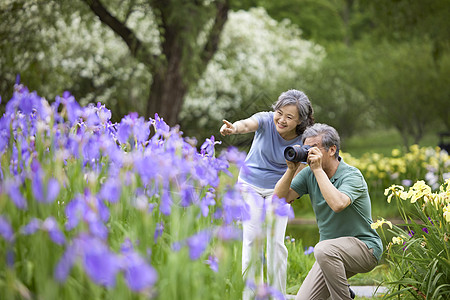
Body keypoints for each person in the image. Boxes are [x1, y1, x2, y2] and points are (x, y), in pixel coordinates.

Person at [219, 89, 315, 299]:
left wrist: (290, 195)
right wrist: (233, 128)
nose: (281, 120)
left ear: (300, 121)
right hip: (249, 185)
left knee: (275, 243)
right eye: (279, 112)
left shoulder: (305, 139)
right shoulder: (265, 120)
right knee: (252, 239)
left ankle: (277, 294)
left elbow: (299, 173)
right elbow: (247, 124)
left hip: (278, 191)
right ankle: (250, 294)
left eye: (289, 117)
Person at [274, 123, 383, 300]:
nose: (309, 153)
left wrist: (317, 170)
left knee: (323, 248)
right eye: (306, 148)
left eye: (314, 148)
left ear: (332, 150)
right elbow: (277, 200)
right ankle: (342, 290)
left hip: (365, 248)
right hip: (329, 254)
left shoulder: (351, 176)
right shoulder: (308, 174)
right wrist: (291, 169)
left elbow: (338, 204)